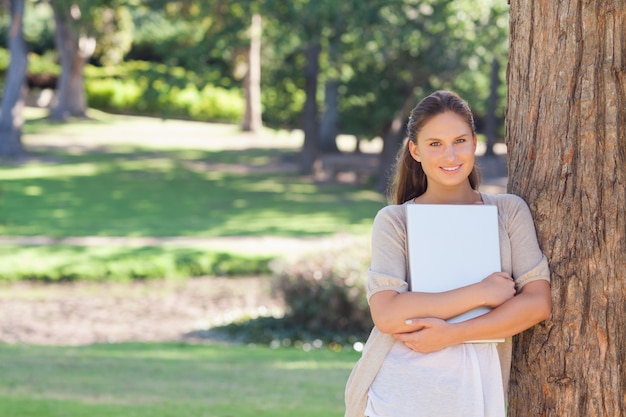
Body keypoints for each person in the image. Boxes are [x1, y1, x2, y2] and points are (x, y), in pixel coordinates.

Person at [344, 90, 552, 417]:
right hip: (399, 390)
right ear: (415, 150)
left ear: (474, 143)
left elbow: (537, 303)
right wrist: (483, 292)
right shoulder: (395, 221)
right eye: (435, 144)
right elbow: (388, 314)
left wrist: (451, 334)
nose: (451, 156)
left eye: (459, 141)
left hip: (476, 389)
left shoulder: (508, 212)